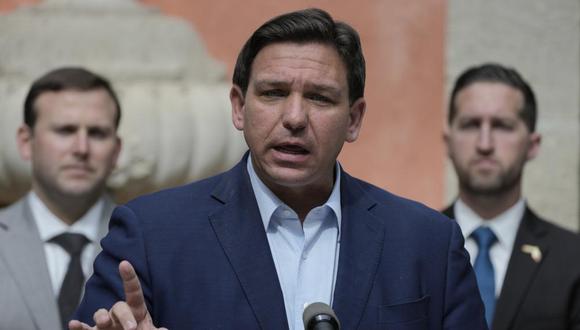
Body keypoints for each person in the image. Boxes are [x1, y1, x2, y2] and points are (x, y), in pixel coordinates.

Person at [71, 8, 486, 330]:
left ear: (354, 119)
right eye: (273, 93)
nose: (294, 117)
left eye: (320, 98)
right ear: (238, 107)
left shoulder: (427, 244)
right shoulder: (151, 234)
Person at [443, 63, 580, 330]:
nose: (485, 144)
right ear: (448, 142)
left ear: (532, 144)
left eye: (502, 126)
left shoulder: (574, 259)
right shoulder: (410, 247)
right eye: (470, 125)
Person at [0, 67, 122, 330]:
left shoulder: (151, 244)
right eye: (65, 130)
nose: (81, 148)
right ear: (25, 141)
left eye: (97, 133)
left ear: (116, 151)